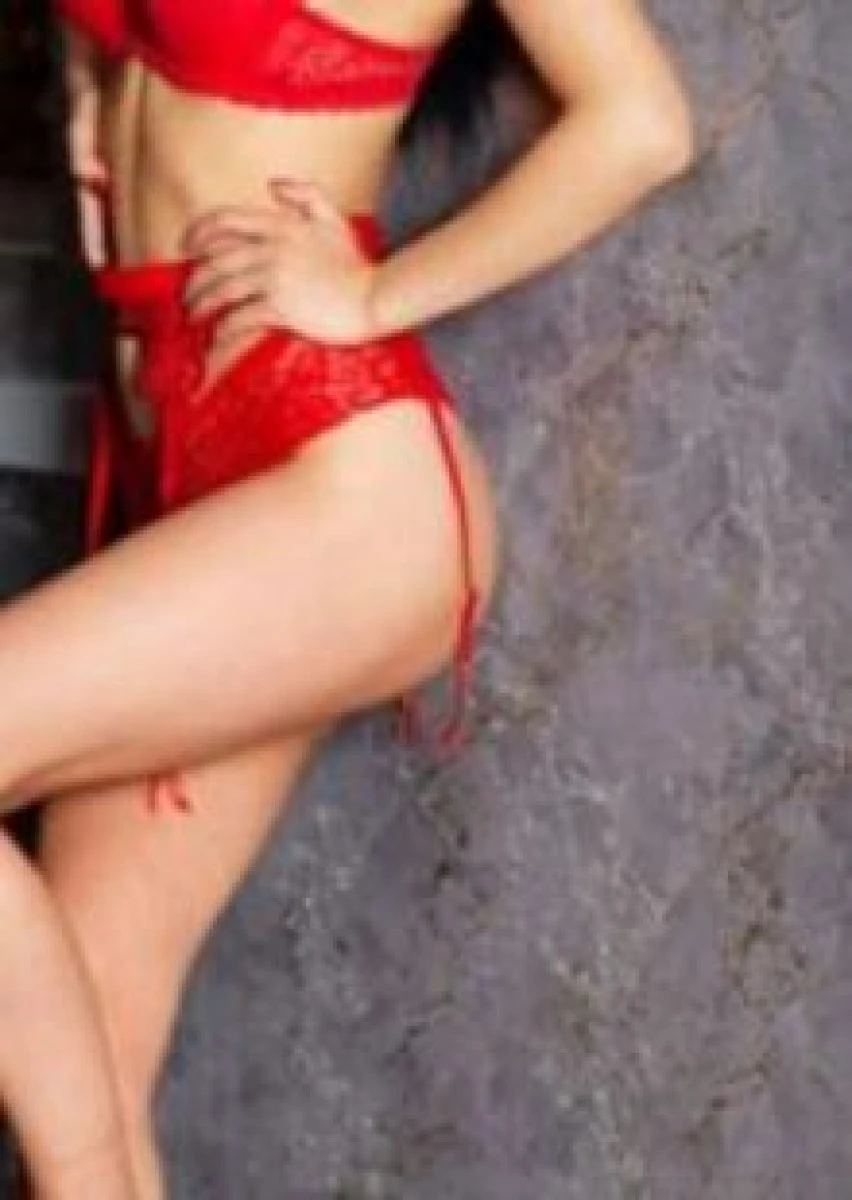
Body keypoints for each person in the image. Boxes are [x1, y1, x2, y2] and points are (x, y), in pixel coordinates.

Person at [3, 0, 695, 1195]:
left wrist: (372, 299)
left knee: (80, 1114)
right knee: (94, 1030)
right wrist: (88, 101)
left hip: (345, 489)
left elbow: (644, 124)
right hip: (181, 456)